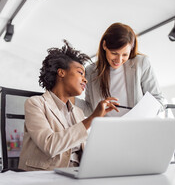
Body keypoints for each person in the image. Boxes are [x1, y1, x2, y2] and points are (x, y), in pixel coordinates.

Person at [18, 41, 119, 171]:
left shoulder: (78, 112)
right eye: (80, 73)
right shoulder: (35, 104)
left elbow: (85, 150)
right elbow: (50, 145)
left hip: (76, 175)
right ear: (61, 73)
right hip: (45, 178)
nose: (85, 79)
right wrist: (92, 118)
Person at [76, 22, 165, 117]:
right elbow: (91, 110)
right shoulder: (91, 71)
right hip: (108, 130)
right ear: (104, 45)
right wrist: (65, 96)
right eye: (114, 53)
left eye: (125, 55)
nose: (119, 60)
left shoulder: (141, 63)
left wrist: (138, 116)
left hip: (137, 128)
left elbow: (158, 100)